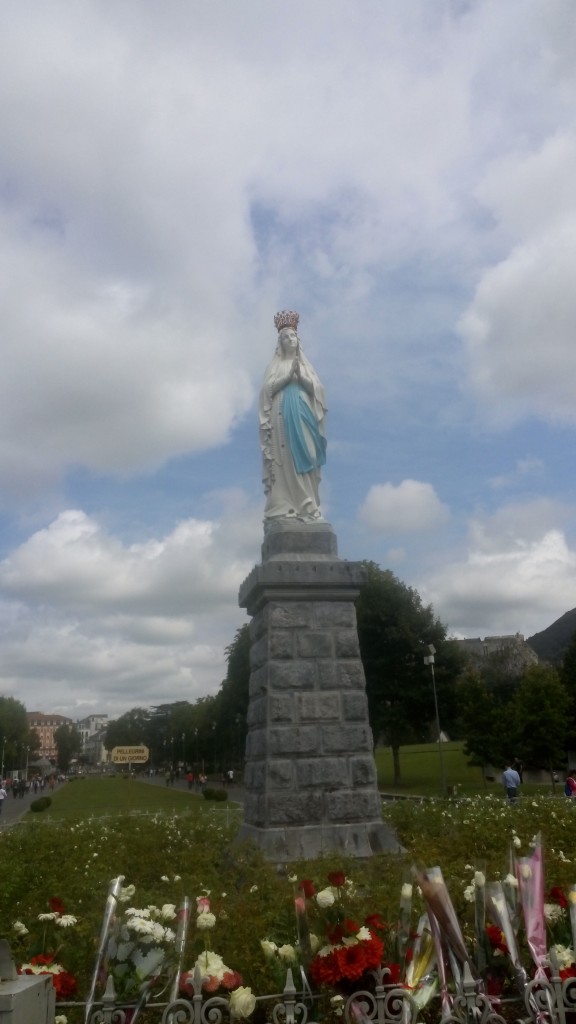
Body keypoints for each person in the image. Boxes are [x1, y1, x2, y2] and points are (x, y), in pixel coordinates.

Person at [259, 310, 327, 520]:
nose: (290, 339)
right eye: (285, 337)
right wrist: (288, 377)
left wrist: (302, 379)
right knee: (285, 457)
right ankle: (291, 504)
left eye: (292, 336)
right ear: (280, 343)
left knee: (309, 454)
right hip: (282, 415)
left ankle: (310, 504)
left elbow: (318, 391)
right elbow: (266, 391)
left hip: (303, 410)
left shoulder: (307, 366)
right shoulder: (275, 366)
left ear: (298, 340)